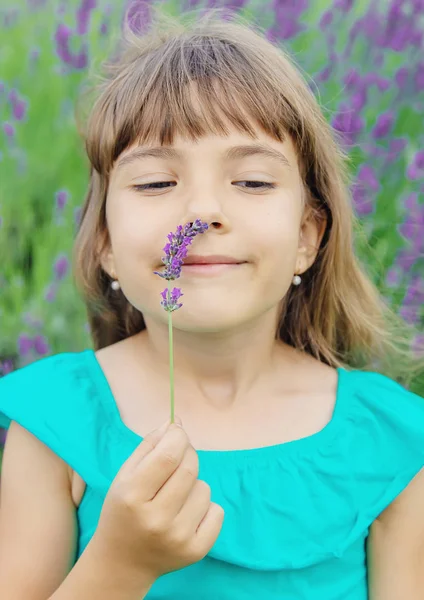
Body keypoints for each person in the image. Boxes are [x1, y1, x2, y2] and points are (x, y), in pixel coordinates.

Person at [0, 7, 423, 600]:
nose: (201, 213)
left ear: (307, 237)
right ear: (106, 247)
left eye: (251, 182)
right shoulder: (56, 424)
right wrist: (120, 564)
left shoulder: (391, 440)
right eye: (154, 183)